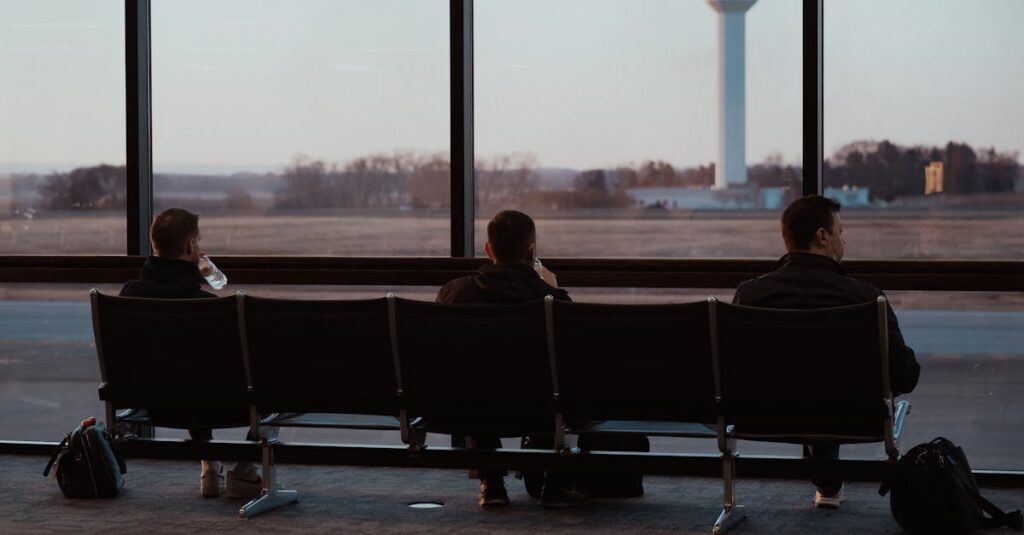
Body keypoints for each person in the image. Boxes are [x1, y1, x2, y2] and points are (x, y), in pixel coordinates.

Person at [732, 195, 921, 510]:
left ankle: (827, 483)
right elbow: (905, 375)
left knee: (806, 383)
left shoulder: (750, 295)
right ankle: (828, 481)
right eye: (840, 232)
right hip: (854, 418)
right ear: (822, 237)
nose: (842, 240)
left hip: (764, 417)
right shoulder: (866, 298)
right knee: (826, 387)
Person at [436, 210, 584, 509]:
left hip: (467, 411)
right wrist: (551, 289)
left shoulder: (455, 295)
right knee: (550, 381)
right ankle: (552, 482)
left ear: (488, 250)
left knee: (477, 378)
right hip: (540, 411)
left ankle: (492, 483)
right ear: (532, 252)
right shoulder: (554, 302)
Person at [120, 207, 262, 499]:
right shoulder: (206, 306)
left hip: (146, 402)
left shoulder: (129, 296)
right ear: (191, 246)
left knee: (185, 374)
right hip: (214, 404)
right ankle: (245, 470)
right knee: (217, 377)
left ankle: (210, 465)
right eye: (197, 240)